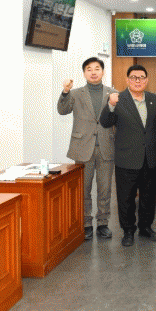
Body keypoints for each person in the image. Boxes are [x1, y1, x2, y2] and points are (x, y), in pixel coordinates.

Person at [99, 65, 156, 247]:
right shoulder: (118, 99)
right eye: (134, 77)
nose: (138, 81)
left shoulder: (154, 99)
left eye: (141, 77)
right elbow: (105, 122)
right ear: (127, 80)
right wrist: (110, 105)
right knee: (126, 198)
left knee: (148, 196)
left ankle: (146, 227)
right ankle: (128, 230)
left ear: (147, 80)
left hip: (149, 156)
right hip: (126, 157)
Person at [57, 57, 117, 241]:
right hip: (83, 147)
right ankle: (86, 223)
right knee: (84, 189)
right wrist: (65, 91)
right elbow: (62, 110)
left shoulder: (113, 93)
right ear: (84, 73)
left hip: (106, 146)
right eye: (89, 69)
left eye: (97, 68)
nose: (93, 72)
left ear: (103, 72)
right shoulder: (75, 93)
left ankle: (103, 223)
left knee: (105, 189)